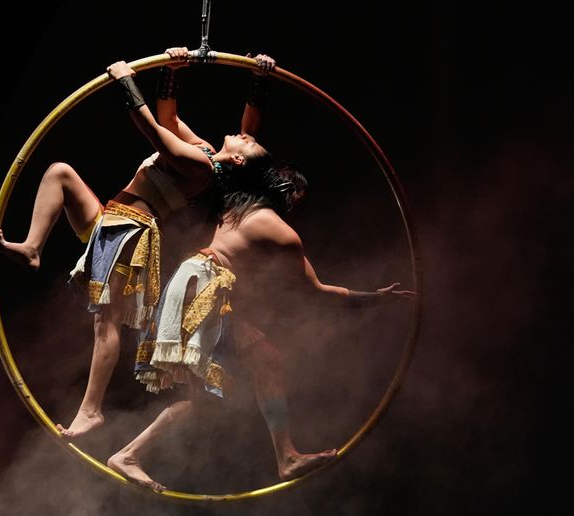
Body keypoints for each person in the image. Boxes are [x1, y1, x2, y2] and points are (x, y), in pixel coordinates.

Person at [0, 48, 279, 439]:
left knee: (105, 320)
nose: (243, 135)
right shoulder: (207, 153)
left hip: (132, 229)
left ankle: (92, 409)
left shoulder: (203, 168)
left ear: (239, 162)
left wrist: (125, 82)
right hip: (110, 218)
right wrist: (171, 71)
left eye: (248, 143)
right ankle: (33, 248)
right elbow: (169, 118)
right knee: (59, 173)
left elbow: (155, 132)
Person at [109, 163, 416, 492]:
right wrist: (375, 298)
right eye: (298, 198)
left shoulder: (233, 208)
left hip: (196, 284)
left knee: (216, 394)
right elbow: (318, 292)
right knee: (263, 361)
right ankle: (285, 457)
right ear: (287, 192)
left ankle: (129, 454)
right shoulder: (279, 230)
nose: (299, 207)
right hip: (203, 285)